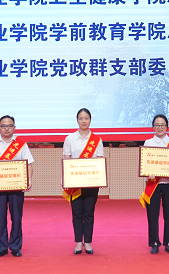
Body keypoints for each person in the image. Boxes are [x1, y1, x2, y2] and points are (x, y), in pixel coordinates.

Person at [0, 115, 34, 258]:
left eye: (9, 126)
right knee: (0, 218)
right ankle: (2, 247)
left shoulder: (21, 144)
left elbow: (29, 164)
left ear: (14, 128)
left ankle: (15, 246)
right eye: (3, 126)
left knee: (16, 217)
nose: (6, 129)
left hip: (17, 186)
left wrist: (28, 180)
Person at [63, 108, 104, 255]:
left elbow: (100, 161)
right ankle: (78, 242)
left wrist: (101, 178)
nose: (84, 121)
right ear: (77, 120)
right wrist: (65, 178)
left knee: (89, 213)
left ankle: (88, 242)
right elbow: (66, 160)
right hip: (75, 183)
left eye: (86, 118)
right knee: (77, 213)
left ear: (90, 120)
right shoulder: (69, 139)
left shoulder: (97, 140)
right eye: (81, 118)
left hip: (91, 182)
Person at [142, 114, 169, 254]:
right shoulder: (148, 143)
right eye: (157, 125)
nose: (160, 128)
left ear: (167, 127)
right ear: (153, 127)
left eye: (162, 125)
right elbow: (145, 164)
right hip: (153, 185)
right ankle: (154, 243)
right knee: (152, 215)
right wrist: (148, 172)